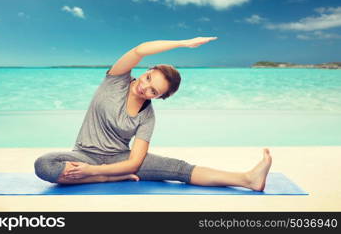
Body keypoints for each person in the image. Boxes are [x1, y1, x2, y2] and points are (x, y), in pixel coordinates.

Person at [34, 37, 272, 191]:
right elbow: (140, 50)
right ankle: (108, 179)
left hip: (121, 161)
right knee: (44, 165)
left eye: (153, 91)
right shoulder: (115, 80)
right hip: (84, 154)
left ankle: (247, 179)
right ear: (147, 70)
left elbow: (135, 161)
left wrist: (93, 172)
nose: (144, 87)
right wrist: (182, 44)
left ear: (159, 97)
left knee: (179, 169)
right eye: (148, 78)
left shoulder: (147, 117)